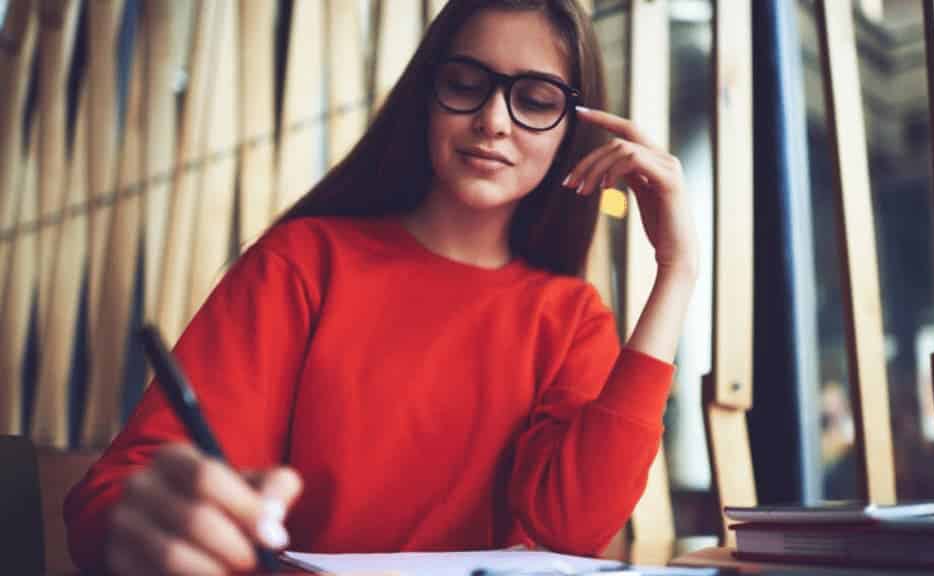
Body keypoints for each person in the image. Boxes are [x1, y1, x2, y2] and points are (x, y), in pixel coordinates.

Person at [64, 0, 698, 573]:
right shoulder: (304, 263)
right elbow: (115, 494)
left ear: (570, 129)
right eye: (465, 84)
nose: (492, 120)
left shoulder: (570, 316)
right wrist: (143, 523)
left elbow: (577, 528)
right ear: (427, 94)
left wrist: (677, 271)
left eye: (534, 100)